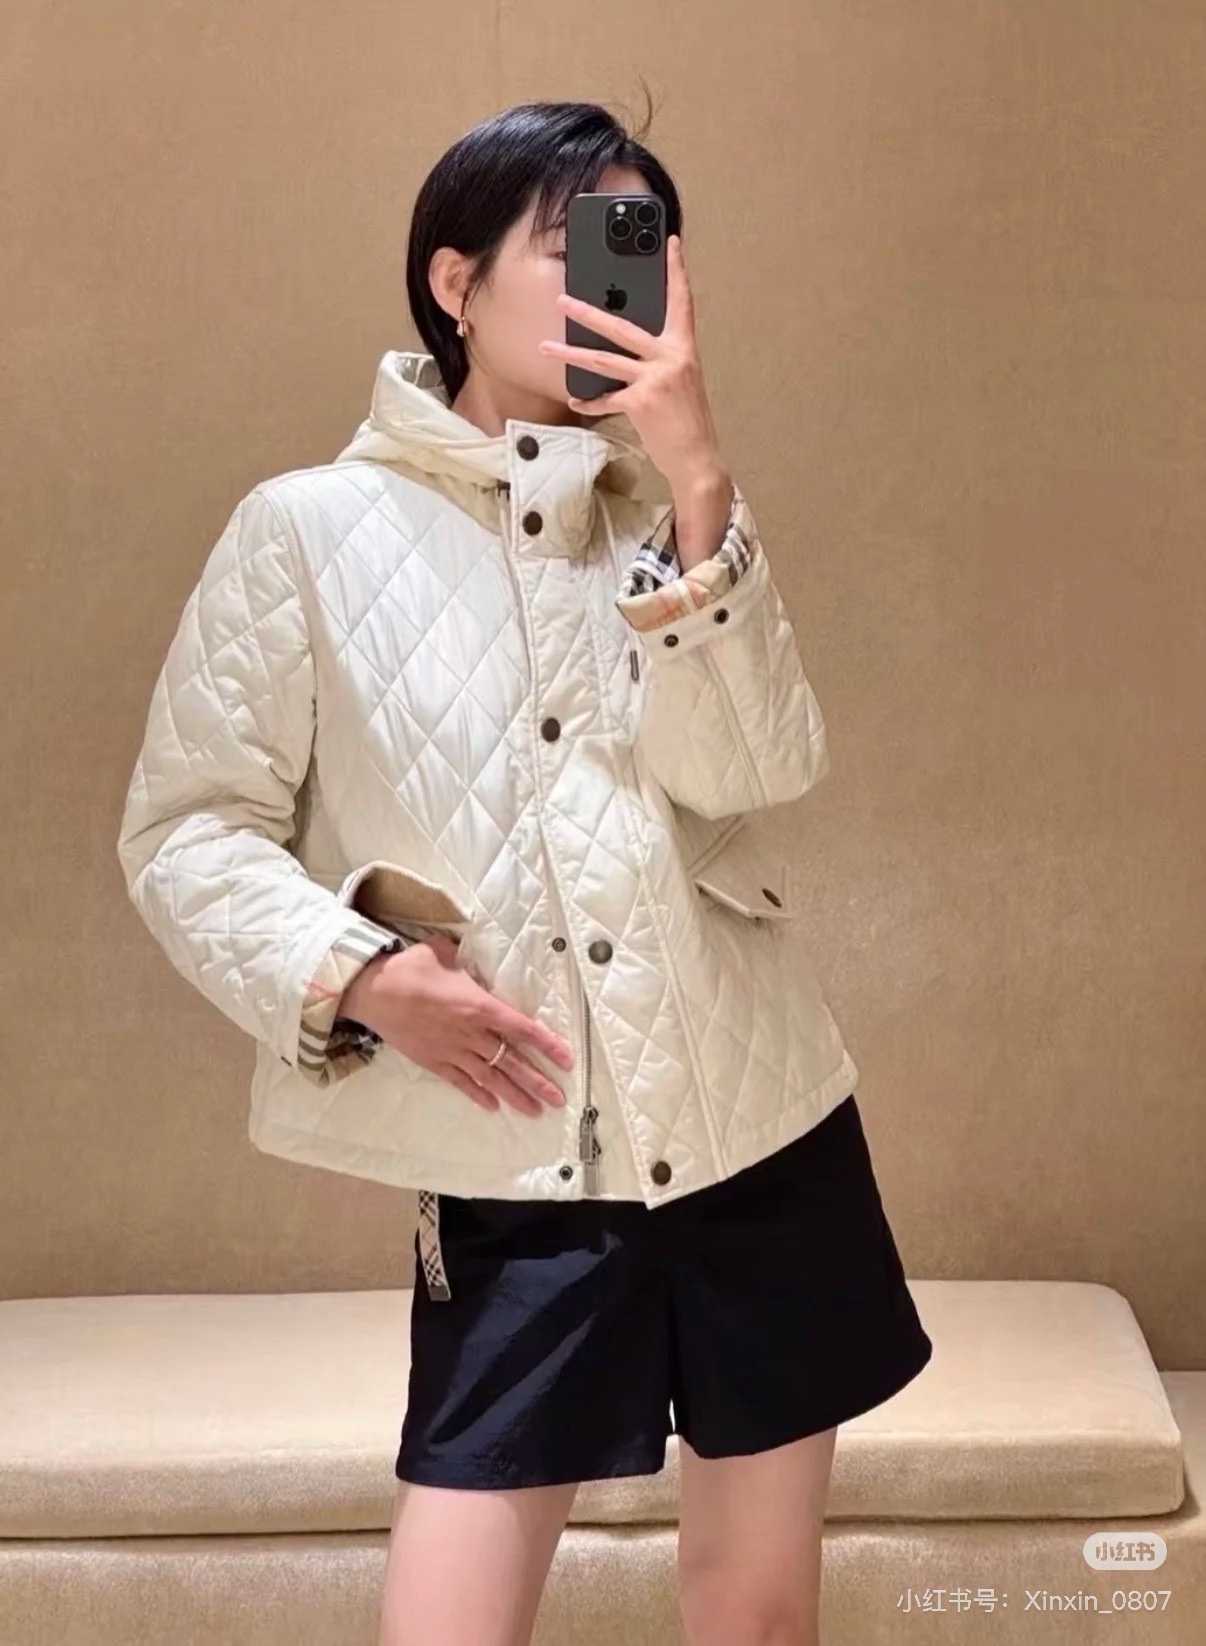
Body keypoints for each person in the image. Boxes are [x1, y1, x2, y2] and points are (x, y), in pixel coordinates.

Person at [117, 92, 932, 1646]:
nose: (607, 284)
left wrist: (700, 486)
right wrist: (360, 975)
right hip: (519, 1160)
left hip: (764, 1131)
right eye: (567, 247)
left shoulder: (669, 523)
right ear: (453, 280)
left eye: (636, 251)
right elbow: (185, 830)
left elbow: (754, 773)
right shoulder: (306, 530)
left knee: (759, 1614)